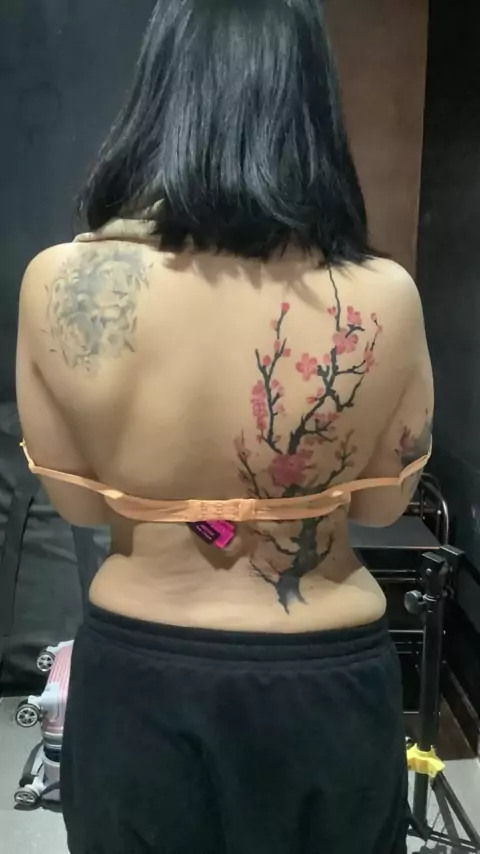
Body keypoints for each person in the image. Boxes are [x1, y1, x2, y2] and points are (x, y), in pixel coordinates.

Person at [16, 1, 434, 852]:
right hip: (323, 677)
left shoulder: (60, 283)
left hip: (140, 680)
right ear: (309, 101)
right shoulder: (384, 295)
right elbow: (385, 508)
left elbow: (81, 506)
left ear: (162, 90)